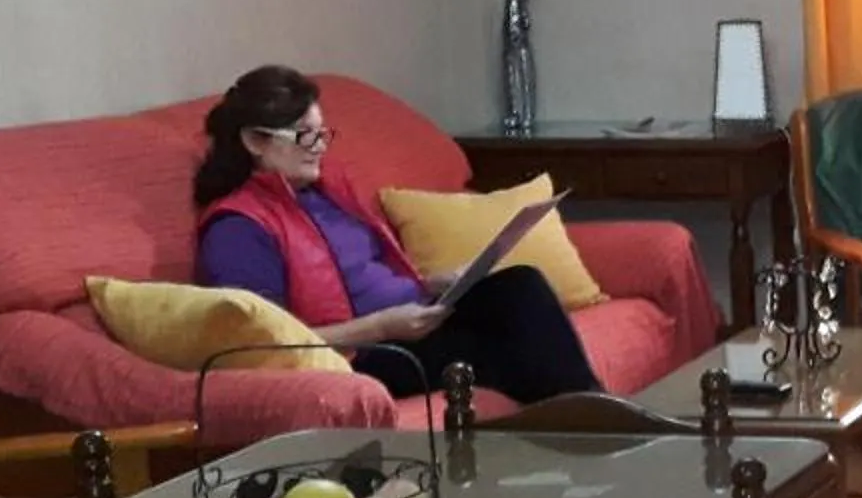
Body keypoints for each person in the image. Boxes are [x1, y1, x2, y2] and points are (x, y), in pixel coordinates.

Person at [191, 65, 600, 403]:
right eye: (304, 135)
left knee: (519, 286)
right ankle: (596, 429)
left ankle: (594, 418)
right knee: (514, 354)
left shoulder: (325, 194)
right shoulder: (238, 229)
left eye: (322, 133)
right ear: (253, 140)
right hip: (366, 353)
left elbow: (361, 275)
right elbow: (266, 345)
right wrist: (382, 327)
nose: (319, 147)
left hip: (413, 320)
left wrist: (426, 283)